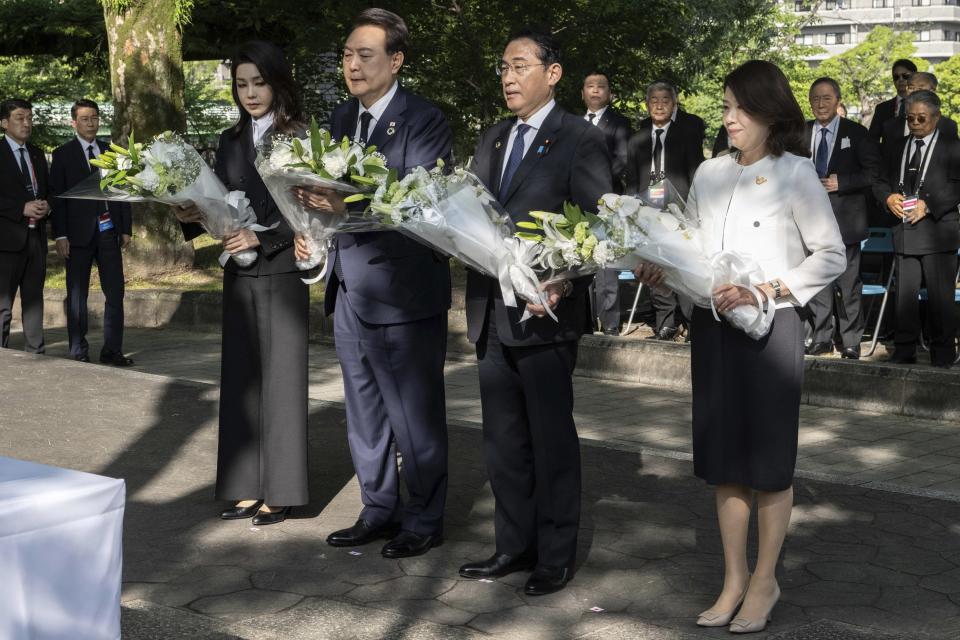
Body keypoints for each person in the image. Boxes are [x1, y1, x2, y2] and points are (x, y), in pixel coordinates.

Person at [635, 60, 845, 633]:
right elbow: (696, 256)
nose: (728, 118)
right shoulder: (709, 173)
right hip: (712, 328)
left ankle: (764, 582)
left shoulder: (796, 173)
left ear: (769, 112)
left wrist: (768, 288)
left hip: (772, 333)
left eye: (738, 108)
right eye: (725, 107)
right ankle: (732, 579)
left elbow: (831, 255)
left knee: (769, 464)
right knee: (725, 461)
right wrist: (663, 270)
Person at [293, 8, 453, 559]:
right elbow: (321, 195)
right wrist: (309, 227)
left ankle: (424, 517)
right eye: (346, 55)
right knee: (362, 413)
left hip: (403, 292)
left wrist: (347, 200)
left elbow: (418, 200)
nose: (353, 65)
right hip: (347, 290)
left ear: (396, 60)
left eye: (365, 55)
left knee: (414, 415)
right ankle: (378, 509)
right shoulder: (338, 119)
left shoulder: (424, 119)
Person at [457, 29, 612, 596]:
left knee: (549, 440)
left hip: (545, 312)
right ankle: (512, 546)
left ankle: (554, 555)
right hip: (490, 310)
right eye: (503, 67)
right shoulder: (493, 139)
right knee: (502, 440)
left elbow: (598, 227)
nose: (507, 76)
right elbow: (471, 213)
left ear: (552, 74)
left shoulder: (579, 139)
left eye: (520, 65)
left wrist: (564, 282)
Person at [175, 40, 310, 526]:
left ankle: (284, 490)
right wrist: (189, 210)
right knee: (241, 377)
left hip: (282, 267)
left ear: (277, 82)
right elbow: (215, 199)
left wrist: (265, 234)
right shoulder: (230, 139)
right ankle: (243, 485)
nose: (250, 93)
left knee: (281, 380)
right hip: (238, 269)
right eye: (241, 85)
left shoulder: (300, 135)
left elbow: (310, 209)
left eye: (259, 82)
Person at [873, 90, 960, 368]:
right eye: (910, 118)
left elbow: (957, 188)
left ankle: (943, 354)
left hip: (939, 231)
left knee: (940, 300)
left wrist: (929, 205)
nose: (915, 123)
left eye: (921, 118)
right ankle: (904, 350)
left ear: (936, 117)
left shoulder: (952, 146)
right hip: (905, 231)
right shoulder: (897, 145)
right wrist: (887, 198)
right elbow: (879, 181)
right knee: (904, 298)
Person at [49, 99, 134, 366]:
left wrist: (126, 228)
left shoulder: (112, 152)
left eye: (94, 117)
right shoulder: (63, 154)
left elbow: (123, 191)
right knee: (77, 294)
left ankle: (112, 350)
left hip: (108, 232)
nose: (91, 123)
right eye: (85, 119)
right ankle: (77, 350)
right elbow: (58, 198)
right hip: (76, 236)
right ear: (74, 123)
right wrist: (60, 235)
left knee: (115, 292)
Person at [626, 80, 704, 341]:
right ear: (648, 105)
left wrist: (695, 209)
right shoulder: (636, 140)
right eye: (654, 101)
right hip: (647, 212)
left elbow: (696, 173)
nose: (659, 105)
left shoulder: (686, 135)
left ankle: (693, 323)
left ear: (674, 105)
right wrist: (630, 209)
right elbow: (632, 179)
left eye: (665, 101)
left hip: (679, 211)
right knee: (655, 267)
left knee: (682, 265)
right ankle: (666, 324)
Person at [804, 78, 872, 359]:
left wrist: (841, 182)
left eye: (826, 98)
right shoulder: (800, 132)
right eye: (816, 99)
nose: (821, 104)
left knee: (848, 284)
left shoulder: (856, 133)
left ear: (838, 100)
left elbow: (873, 174)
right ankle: (821, 337)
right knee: (818, 283)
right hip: (809, 221)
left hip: (846, 221)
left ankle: (851, 341)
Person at [582, 70, 632, 335]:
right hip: (577, 202)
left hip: (607, 200)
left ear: (609, 93)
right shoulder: (573, 123)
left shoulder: (619, 123)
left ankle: (610, 322)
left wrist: (596, 186)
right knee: (578, 255)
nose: (595, 90)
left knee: (606, 262)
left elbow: (622, 160)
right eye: (590, 86)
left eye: (601, 86)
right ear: (583, 93)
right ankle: (584, 319)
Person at [0, 98, 49, 353]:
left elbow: (48, 191)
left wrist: (46, 206)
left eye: (29, 117)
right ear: (4, 123)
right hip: (6, 242)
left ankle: (36, 353)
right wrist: (21, 208)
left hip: (36, 239)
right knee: (3, 304)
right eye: (20, 118)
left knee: (34, 300)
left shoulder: (38, 154)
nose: (27, 123)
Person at [881, 72, 958, 143]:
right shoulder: (890, 126)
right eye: (911, 88)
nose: (915, 92)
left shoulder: (948, 126)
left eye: (920, 88)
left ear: (932, 91)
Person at [868, 58, 917, 143]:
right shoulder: (882, 109)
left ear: (915, 76)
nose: (900, 79)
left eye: (905, 76)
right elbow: (872, 140)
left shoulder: (924, 105)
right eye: (896, 77)